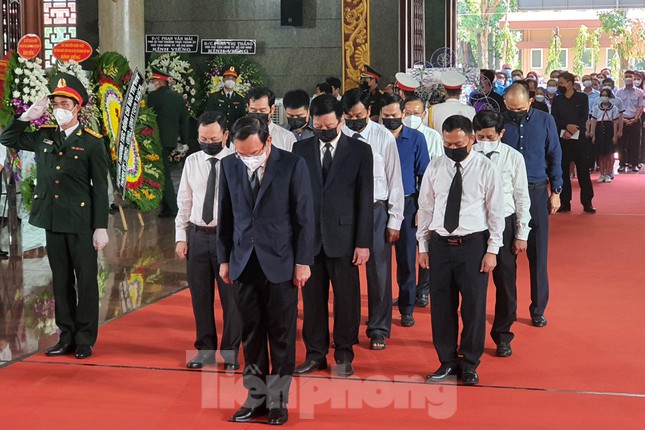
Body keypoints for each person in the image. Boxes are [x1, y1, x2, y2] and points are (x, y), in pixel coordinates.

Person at [0, 73, 109, 359]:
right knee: (60, 280)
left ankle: (85, 338)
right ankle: (66, 335)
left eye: (64, 102)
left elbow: (99, 188)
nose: (59, 107)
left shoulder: (93, 143)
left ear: (77, 107)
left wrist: (100, 226)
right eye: (55, 102)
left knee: (85, 280)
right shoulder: (45, 135)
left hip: (82, 223)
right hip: (53, 219)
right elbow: (6, 137)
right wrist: (25, 116)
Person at [218, 115, 314, 426]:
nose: (246, 158)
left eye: (252, 152)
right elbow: (226, 216)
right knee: (251, 335)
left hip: (282, 262)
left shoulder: (291, 164)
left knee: (282, 335)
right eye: (240, 152)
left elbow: (304, 217)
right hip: (244, 262)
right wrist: (224, 260)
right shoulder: (230, 166)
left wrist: (303, 261)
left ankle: (278, 400)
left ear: (268, 142)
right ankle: (254, 397)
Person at [418, 114, 505, 386]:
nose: (452, 149)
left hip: (473, 246)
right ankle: (446, 361)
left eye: (457, 144)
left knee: (474, 307)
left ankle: (469, 363)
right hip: (441, 245)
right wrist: (423, 245)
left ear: (471, 139)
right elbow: (426, 208)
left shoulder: (485, 168)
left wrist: (493, 249)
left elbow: (496, 212)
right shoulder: (435, 167)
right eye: (447, 144)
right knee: (441, 307)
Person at [292, 94, 373, 378]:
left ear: (341, 121)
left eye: (328, 125)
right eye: (318, 125)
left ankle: (343, 354)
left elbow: (365, 199)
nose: (323, 130)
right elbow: (296, 198)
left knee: (347, 301)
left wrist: (363, 242)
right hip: (310, 240)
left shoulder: (359, 151)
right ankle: (315, 354)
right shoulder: (299, 149)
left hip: (345, 238)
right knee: (312, 301)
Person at [175, 111, 241, 370]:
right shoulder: (192, 161)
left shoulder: (238, 161)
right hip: (199, 236)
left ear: (226, 135)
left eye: (213, 138)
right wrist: (181, 236)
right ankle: (204, 348)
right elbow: (184, 201)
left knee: (231, 298)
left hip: (228, 238)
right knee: (200, 297)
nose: (208, 143)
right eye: (202, 139)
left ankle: (232, 351)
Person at [341, 88, 404, 350]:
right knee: (346, 272)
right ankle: (347, 326)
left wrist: (394, 220)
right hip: (347, 211)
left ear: (369, 112)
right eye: (349, 116)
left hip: (376, 210)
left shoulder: (383, 137)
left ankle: (378, 327)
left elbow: (395, 180)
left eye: (359, 115)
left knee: (378, 272)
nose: (354, 121)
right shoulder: (340, 134)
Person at [502, 82, 563, 328]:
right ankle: (508, 310)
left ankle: (538, 309)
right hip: (506, 195)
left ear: (530, 102)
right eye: (510, 108)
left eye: (519, 108)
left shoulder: (545, 120)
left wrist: (556, 190)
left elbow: (555, 156)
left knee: (538, 255)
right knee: (507, 258)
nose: (514, 112)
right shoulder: (500, 121)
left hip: (536, 192)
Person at [472, 110, 531, 357]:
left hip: (505, 225)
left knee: (506, 284)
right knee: (473, 285)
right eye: (480, 137)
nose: (484, 141)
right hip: (474, 225)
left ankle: (503, 335)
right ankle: (471, 337)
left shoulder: (513, 158)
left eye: (489, 136)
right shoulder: (467, 155)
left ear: (501, 134)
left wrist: (521, 233)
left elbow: (521, 196)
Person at [381, 93, 430, 327]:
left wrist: (422, 208)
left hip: (409, 203)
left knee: (406, 259)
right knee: (378, 261)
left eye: (394, 115)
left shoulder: (416, 138)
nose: (390, 119)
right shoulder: (375, 137)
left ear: (403, 113)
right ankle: (379, 309)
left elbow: (424, 176)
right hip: (380, 204)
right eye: (386, 115)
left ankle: (407, 307)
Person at [403, 95, 444, 307]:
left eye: (416, 113)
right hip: (408, 198)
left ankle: (424, 290)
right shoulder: (397, 135)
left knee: (425, 244)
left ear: (424, 113)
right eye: (407, 113)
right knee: (408, 246)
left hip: (428, 197)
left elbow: (436, 168)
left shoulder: (433, 136)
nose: (411, 117)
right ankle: (407, 292)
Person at [147, 67, 190, 218]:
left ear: (159, 82)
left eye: (152, 81)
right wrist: (184, 141)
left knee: (163, 173)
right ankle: (166, 206)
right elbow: (184, 120)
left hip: (156, 140)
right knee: (163, 172)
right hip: (170, 141)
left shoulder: (152, 97)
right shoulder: (178, 97)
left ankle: (172, 207)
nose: (151, 84)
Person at [551, 71, 594, 213]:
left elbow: (583, 116)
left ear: (570, 83)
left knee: (583, 171)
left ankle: (587, 202)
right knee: (563, 171)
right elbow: (555, 118)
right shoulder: (557, 100)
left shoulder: (582, 98)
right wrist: (565, 128)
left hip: (579, 138)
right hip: (563, 139)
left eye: (562, 83)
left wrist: (573, 130)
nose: (559, 86)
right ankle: (564, 202)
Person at [246, 87, 296, 152]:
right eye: (253, 110)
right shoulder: (239, 135)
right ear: (248, 108)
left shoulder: (286, 137)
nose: (258, 114)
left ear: (272, 109)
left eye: (262, 111)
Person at [616, 70, 644, 173]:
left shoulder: (639, 92)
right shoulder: (619, 92)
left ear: (633, 78)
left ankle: (634, 164)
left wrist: (635, 118)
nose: (628, 78)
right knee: (621, 143)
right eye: (626, 76)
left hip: (635, 119)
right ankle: (622, 164)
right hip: (622, 120)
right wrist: (623, 119)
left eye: (630, 76)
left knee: (635, 143)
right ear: (623, 78)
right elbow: (616, 107)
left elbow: (641, 106)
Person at [590, 89, 620, 183]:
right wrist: (593, 134)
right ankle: (602, 173)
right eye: (602, 95)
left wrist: (615, 135)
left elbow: (615, 123)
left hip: (609, 129)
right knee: (601, 154)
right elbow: (594, 122)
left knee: (609, 154)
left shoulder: (614, 108)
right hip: (599, 129)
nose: (604, 97)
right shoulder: (596, 108)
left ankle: (608, 173)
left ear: (610, 97)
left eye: (606, 95)